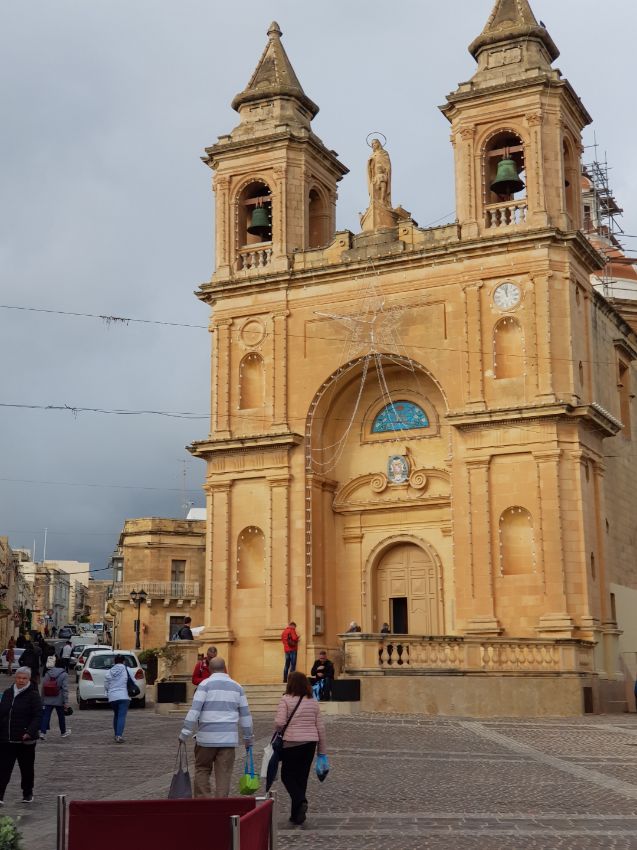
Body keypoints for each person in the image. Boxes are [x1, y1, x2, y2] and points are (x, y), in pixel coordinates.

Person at [179, 657, 253, 798]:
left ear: (210, 669)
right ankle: (221, 806)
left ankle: (203, 804)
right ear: (225, 668)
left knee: (202, 769)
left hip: (206, 738)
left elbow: (194, 711)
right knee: (224, 773)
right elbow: (245, 715)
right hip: (228, 739)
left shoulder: (205, 685)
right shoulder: (237, 687)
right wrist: (248, 737)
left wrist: (185, 733)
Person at [274, 671, 327, 826]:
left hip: (292, 742)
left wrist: (277, 730)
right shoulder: (312, 701)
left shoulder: (285, 699)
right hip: (310, 743)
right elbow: (320, 727)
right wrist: (322, 751)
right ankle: (296, 815)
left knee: (287, 776)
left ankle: (300, 800)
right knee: (301, 778)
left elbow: (279, 722)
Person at [0, 666, 42, 804]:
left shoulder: (33, 695)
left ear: (29, 679)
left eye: (24, 678)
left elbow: (38, 716)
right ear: (15, 678)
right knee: (3, 769)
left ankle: (27, 793)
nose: (21, 680)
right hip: (7, 739)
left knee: (26, 769)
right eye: (19, 678)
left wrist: (29, 732)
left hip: (25, 740)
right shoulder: (7, 693)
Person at [104, 654, 134, 743]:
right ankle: (119, 735)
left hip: (112, 696)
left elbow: (106, 684)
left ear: (114, 661)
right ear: (124, 661)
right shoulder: (127, 669)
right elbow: (133, 680)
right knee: (121, 716)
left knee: (116, 715)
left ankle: (116, 733)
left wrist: (108, 692)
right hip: (124, 695)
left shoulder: (109, 671)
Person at [40, 657, 71, 740]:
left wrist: (42, 699)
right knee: (61, 716)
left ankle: (43, 733)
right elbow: (65, 689)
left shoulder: (48, 673)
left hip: (47, 697)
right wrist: (66, 701)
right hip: (59, 698)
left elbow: (43, 687)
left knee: (46, 716)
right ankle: (63, 732)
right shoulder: (64, 674)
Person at [366, 137, 392, 208]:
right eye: (372, 144)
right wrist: (370, 162)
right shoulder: (372, 155)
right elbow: (369, 167)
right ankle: (374, 201)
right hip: (375, 175)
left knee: (383, 186)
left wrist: (385, 169)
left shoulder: (384, 153)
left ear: (378, 143)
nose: (374, 145)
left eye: (375, 143)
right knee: (375, 188)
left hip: (382, 174)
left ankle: (382, 200)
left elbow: (387, 164)